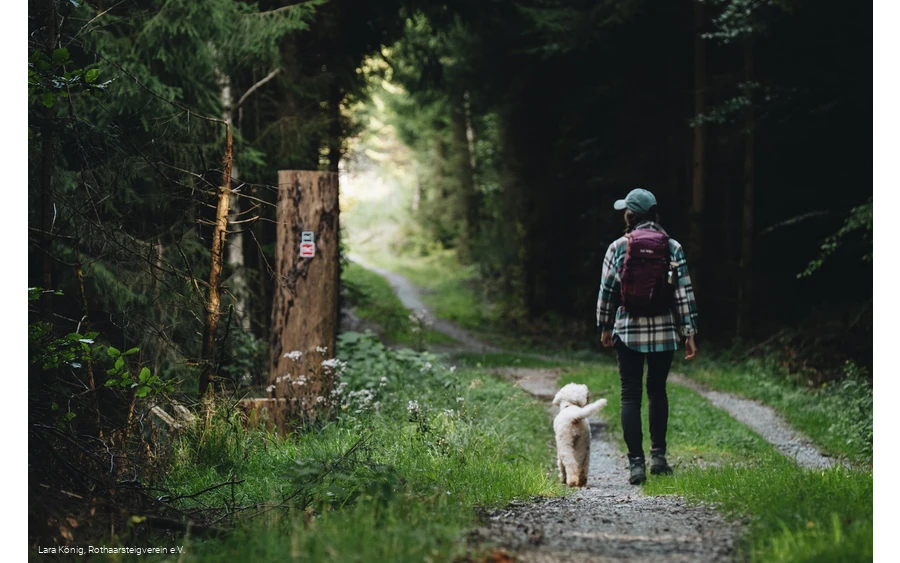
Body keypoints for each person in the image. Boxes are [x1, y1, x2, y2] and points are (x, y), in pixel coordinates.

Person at [596, 188, 699, 485]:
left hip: (628, 330)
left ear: (631, 214)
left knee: (630, 394)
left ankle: (636, 465)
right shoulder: (673, 246)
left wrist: (605, 326)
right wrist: (689, 332)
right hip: (665, 331)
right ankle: (659, 458)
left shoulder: (618, 246)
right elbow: (684, 294)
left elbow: (607, 291)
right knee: (657, 391)